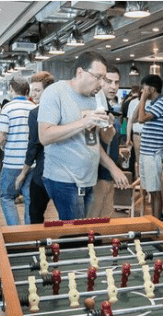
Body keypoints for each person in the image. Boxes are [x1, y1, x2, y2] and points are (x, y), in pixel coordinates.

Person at [38, 51, 129, 220]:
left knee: (86, 230)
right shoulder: (55, 92)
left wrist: (108, 126)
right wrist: (84, 122)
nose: (102, 84)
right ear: (80, 72)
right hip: (64, 179)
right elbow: (44, 136)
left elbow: (99, 141)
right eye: (98, 77)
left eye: (104, 79)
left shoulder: (98, 96)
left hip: (90, 178)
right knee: (76, 234)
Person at [0, 77, 36, 225]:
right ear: (27, 91)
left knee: (6, 197)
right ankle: (29, 233)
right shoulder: (34, 107)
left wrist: (1, 144)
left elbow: (1, 137)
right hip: (31, 162)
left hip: (12, 162)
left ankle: (15, 230)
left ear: (11, 90)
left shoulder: (8, 108)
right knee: (29, 199)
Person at [17, 71, 55, 224]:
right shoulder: (63, 109)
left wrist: (23, 173)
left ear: (49, 90)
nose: (33, 93)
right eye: (32, 89)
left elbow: (33, 145)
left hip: (44, 170)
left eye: (37, 90)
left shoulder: (36, 113)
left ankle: (39, 246)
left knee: (35, 213)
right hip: (65, 170)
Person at [87, 65, 124, 218]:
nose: (113, 86)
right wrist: (113, 168)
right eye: (109, 81)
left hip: (107, 174)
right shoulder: (94, 104)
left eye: (116, 82)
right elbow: (93, 143)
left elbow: (106, 139)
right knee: (92, 223)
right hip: (98, 173)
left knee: (104, 221)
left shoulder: (105, 105)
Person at [134, 74, 163, 219]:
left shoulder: (162, 102)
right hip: (146, 153)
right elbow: (136, 117)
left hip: (153, 153)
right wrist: (142, 99)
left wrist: (143, 98)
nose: (142, 91)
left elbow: (141, 119)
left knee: (155, 190)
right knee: (149, 189)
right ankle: (153, 220)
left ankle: (156, 222)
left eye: (144, 88)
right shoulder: (154, 103)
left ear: (151, 88)